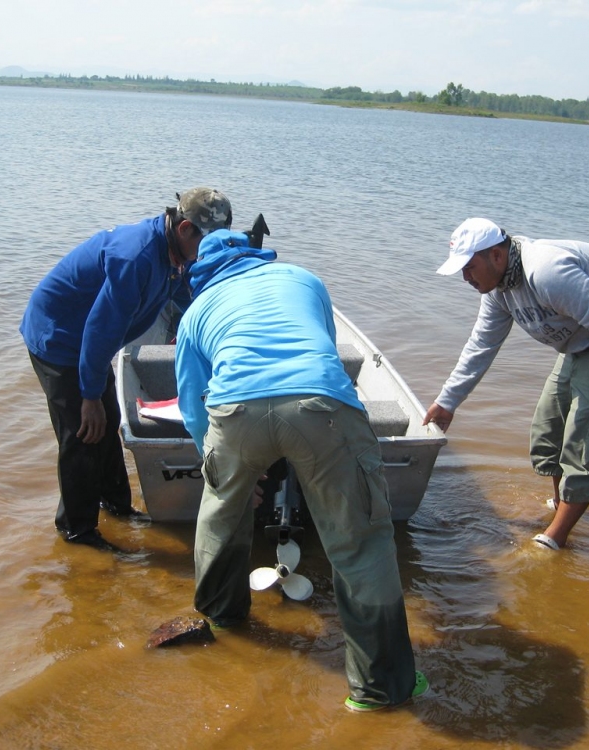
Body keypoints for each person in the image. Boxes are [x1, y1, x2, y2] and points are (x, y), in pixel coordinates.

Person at [174, 227, 428, 712]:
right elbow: (327, 356)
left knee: (220, 516)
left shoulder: (195, 312)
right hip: (322, 406)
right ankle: (380, 690)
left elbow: (191, 403)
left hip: (233, 414)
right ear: (256, 257)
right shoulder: (304, 279)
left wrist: (220, 471)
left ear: (203, 273)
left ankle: (223, 621)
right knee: (361, 542)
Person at [424, 218, 589, 550]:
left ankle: (556, 537)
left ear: (496, 255)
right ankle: (562, 504)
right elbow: (481, 346)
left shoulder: (547, 272)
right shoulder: (497, 291)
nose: (465, 277)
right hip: (581, 342)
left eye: (469, 267)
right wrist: (447, 402)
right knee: (549, 427)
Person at [20, 188, 232, 550]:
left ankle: (116, 505)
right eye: (210, 240)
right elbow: (99, 330)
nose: (214, 249)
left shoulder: (176, 251)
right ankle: (77, 532)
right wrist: (88, 395)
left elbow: (183, 298)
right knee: (84, 431)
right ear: (184, 229)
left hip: (91, 341)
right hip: (60, 339)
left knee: (109, 416)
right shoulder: (135, 259)